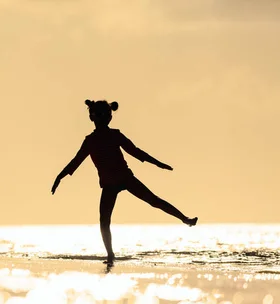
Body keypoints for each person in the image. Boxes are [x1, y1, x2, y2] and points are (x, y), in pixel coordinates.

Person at [51, 99, 197, 265]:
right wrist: (60, 177)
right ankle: (110, 255)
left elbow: (136, 152)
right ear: (92, 117)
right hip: (109, 184)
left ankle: (185, 219)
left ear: (109, 117)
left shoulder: (115, 135)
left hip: (125, 178)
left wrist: (158, 163)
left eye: (105, 115)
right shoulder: (90, 141)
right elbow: (75, 161)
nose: (102, 118)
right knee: (104, 220)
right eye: (98, 115)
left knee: (153, 200)